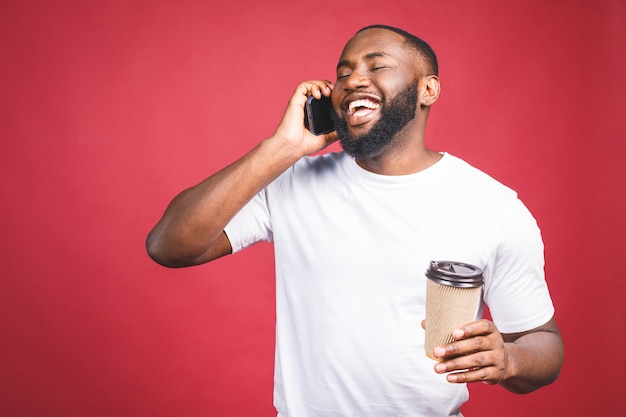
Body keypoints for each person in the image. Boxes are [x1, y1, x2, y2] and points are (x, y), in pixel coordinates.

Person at [146, 24, 564, 417]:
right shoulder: (292, 183)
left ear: (428, 88)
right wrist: (282, 148)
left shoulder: (493, 207)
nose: (353, 80)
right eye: (342, 73)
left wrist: (508, 359)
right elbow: (168, 246)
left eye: (376, 66)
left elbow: (544, 344)